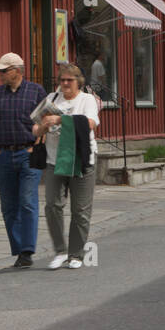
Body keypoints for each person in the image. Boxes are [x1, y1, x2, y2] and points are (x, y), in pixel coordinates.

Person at [0, 53, 48, 268]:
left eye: (3, 71)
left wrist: (35, 144)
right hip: (4, 155)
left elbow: (46, 120)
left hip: (28, 153)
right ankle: (19, 250)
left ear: (16, 71)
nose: (0, 75)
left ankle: (27, 251)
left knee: (27, 201)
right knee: (9, 206)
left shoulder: (36, 91)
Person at [31, 63, 100, 270]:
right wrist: (43, 126)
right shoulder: (51, 98)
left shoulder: (87, 99)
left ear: (79, 81)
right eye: (62, 80)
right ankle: (60, 251)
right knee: (52, 205)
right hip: (54, 159)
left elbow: (90, 123)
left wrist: (60, 119)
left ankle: (76, 254)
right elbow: (35, 129)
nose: (65, 84)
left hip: (82, 159)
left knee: (80, 209)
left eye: (69, 80)